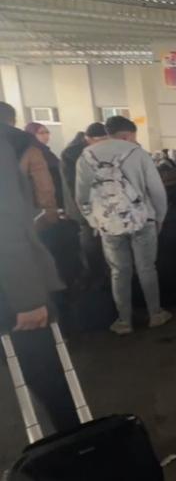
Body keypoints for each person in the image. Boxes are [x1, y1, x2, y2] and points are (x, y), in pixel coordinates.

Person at [1, 122, 80, 433]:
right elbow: (7, 221)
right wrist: (28, 296)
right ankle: (74, 450)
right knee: (47, 378)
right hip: (13, 289)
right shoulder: (15, 145)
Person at [75, 116, 172, 335]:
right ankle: (155, 314)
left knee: (118, 271)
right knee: (147, 268)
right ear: (128, 134)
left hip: (109, 224)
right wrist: (159, 217)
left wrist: (96, 222)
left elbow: (81, 198)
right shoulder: (136, 152)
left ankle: (124, 321)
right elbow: (156, 191)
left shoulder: (86, 156)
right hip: (142, 220)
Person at [61, 123, 109, 288]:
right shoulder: (73, 154)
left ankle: (102, 277)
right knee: (91, 242)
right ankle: (96, 280)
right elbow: (74, 186)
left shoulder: (86, 150)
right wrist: (85, 211)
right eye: (101, 141)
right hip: (83, 209)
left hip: (100, 206)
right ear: (88, 139)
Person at [1, 102, 58, 229]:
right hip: (21, 213)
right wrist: (50, 214)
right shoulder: (27, 144)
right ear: (13, 120)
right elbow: (43, 185)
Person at [24, 122, 64, 208]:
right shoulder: (31, 153)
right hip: (41, 199)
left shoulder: (46, 151)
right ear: (31, 134)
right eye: (41, 133)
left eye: (47, 132)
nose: (46, 136)